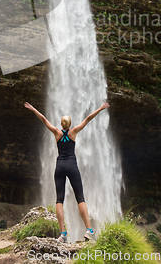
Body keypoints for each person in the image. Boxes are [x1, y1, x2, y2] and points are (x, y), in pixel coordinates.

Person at [24, 101, 110, 243]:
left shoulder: (56, 132)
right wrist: (100, 109)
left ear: (61, 124)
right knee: (80, 198)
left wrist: (33, 108)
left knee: (59, 200)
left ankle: (63, 234)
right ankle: (89, 230)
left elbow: (44, 119)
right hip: (71, 165)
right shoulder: (74, 132)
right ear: (70, 124)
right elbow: (88, 119)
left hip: (59, 166)